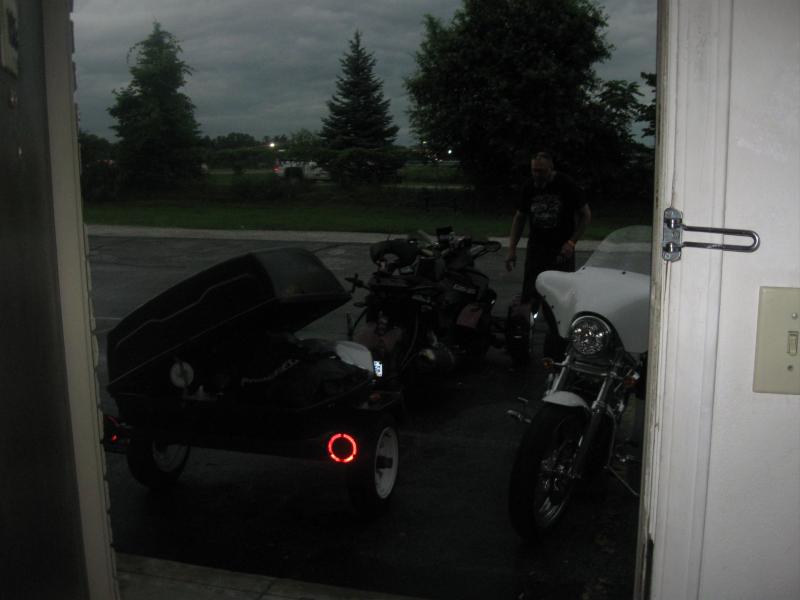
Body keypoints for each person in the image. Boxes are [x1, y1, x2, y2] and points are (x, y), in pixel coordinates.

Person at [505, 152, 591, 312]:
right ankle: (527, 326)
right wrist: (511, 250)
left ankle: (558, 331)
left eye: (541, 171)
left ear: (551, 169)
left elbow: (586, 216)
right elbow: (519, 218)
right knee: (531, 293)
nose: (537, 175)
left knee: (560, 296)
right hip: (536, 248)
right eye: (534, 170)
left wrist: (571, 242)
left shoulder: (566, 185)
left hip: (561, 249)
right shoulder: (529, 187)